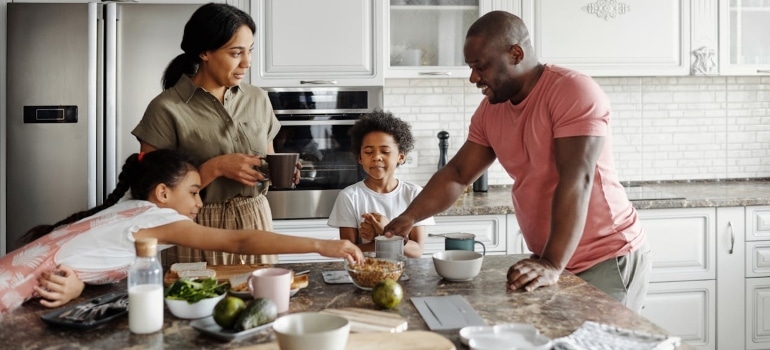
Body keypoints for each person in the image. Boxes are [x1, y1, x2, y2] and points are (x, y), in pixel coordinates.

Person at [382, 11, 651, 313]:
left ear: (515, 54)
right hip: (550, 259)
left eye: (479, 66)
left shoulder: (572, 91)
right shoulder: (490, 111)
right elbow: (457, 174)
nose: (473, 77)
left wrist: (551, 262)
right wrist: (410, 216)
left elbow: (576, 179)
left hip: (604, 257)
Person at [1, 149, 363, 313]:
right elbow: (238, 240)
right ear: (162, 194)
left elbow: (86, 258)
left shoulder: (127, 210)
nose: (199, 204)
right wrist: (322, 245)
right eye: (193, 192)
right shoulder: (155, 218)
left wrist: (78, 285)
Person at [131, 3, 296, 267]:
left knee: (263, 305)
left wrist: (277, 171)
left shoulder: (258, 99)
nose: (247, 62)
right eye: (235, 53)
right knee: (198, 304)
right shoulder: (166, 108)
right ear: (204, 52)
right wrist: (216, 167)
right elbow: (152, 195)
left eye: (249, 51)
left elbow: (267, 159)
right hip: (196, 228)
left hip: (256, 221)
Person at [328, 110, 433, 258]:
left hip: (407, 275)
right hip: (366, 275)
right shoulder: (349, 196)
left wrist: (385, 232)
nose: (376, 157)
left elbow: (416, 251)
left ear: (401, 157)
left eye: (385, 151)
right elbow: (349, 252)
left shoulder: (415, 194)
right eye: (368, 152)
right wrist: (383, 238)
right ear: (359, 158)